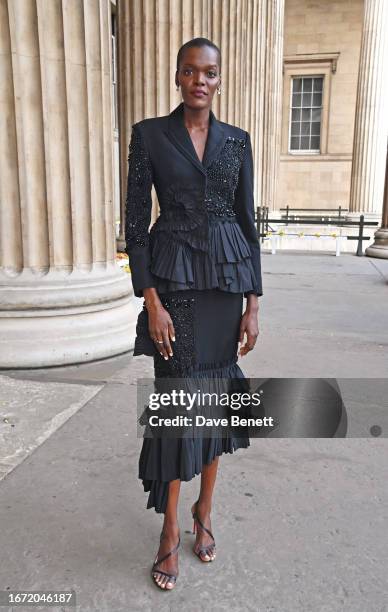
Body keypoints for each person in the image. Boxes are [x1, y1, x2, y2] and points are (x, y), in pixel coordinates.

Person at [125, 37, 263, 590]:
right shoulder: (149, 136)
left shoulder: (238, 142)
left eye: (209, 73)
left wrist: (253, 302)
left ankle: (205, 512)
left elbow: (247, 223)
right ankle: (168, 530)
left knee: (216, 398)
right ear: (177, 77)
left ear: (219, 81)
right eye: (190, 71)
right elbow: (136, 224)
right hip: (174, 284)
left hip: (226, 286)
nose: (199, 80)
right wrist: (150, 299)